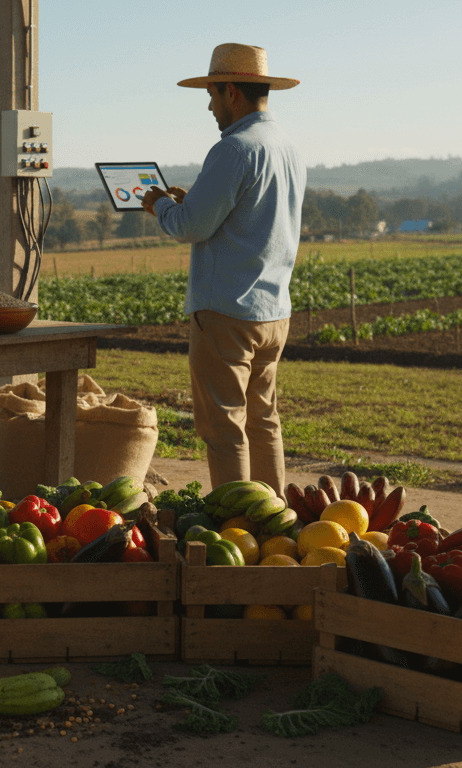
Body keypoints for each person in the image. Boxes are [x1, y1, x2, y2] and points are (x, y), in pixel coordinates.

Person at [141, 42, 305, 498]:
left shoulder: (232, 148)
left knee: (224, 428)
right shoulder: (287, 146)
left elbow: (190, 226)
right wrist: (189, 200)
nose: (210, 107)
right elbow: (247, 213)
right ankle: (273, 517)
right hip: (273, 310)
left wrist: (160, 206)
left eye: (211, 95)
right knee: (263, 421)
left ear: (231, 91)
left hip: (226, 312)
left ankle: (237, 522)